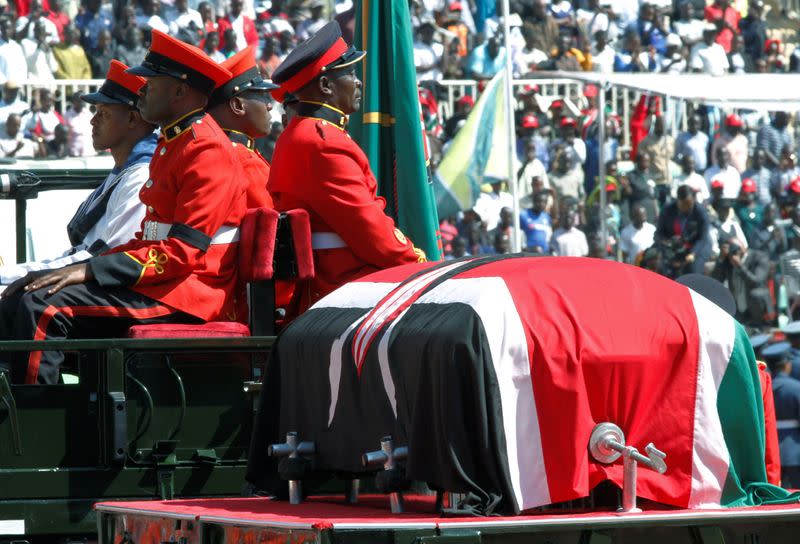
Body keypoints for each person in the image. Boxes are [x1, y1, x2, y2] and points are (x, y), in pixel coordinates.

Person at [0, 31, 246, 385]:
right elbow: (150, 239)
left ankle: (36, 431)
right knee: (17, 299)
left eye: (151, 82)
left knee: (43, 307)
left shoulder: (205, 150)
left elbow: (183, 252)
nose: (142, 89)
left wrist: (90, 271)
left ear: (180, 91)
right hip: (163, 281)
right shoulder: (174, 142)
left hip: (189, 294)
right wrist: (92, 267)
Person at [268, 21, 426, 313]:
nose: (358, 82)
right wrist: (417, 261)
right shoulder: (323, 141)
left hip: (334, 284)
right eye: (350, 73)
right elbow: (369, 230)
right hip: (345, 286)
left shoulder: (303, 133)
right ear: (326, 86)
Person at [0, 60, 155, 289]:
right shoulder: (124, 171)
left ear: (132, 119)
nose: (93, 120)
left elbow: (104, 258)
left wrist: (19, 274)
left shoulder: (140, 177)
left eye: (103, 113)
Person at [207, 45, 276, 209]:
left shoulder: (221, 152)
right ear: (238, 105)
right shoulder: (242, 159)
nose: (269, 106)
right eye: (262, 97)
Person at [711, 237, 772, 325]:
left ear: (743, 247)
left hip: (758, 308)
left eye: (737, 248)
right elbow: (716, 280)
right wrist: (721, 258)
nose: (735, 251)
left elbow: (756, 282)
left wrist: (739, 266)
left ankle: (759, 324)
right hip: (738, 307)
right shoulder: (728, 260)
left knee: (755, 294)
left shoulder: (760, 257)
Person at [763, 341, 800, 488]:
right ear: (787, 364)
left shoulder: (763, 387)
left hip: (769, 451)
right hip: (795, 450)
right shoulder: (796, 388)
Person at [655, 184, 709, 276]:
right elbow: (659, 233)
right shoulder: (667, 210)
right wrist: (665, 244)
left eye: (689, 203)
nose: (686, 207)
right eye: (683, 204)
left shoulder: (701, 212)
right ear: (677, 201)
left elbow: (702, 238)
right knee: (667, 271)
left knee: (693, 271)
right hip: (672, 247)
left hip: (695, 247)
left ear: (693, 200)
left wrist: (693, 253)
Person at [64, 91, 93, 157]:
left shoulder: (88, 114)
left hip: (88, 151)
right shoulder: (67, 115)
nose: (82, 103)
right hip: (74, 151)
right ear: (74, 101)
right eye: (79, 100)